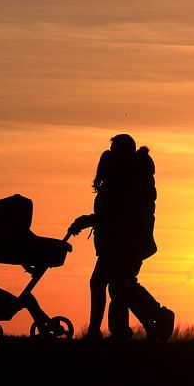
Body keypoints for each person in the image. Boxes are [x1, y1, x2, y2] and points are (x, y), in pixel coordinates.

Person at [70, 134, 174, 341]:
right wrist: (91, 220)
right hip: (125, 243)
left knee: (101, 283)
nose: (110, 153)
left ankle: (99, 330)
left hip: (126, 243)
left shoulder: (128, 179)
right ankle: (133, 327)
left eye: (114, 149)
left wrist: (87, 221)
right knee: (121, 287)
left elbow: (116, 215)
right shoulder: (127, 177)